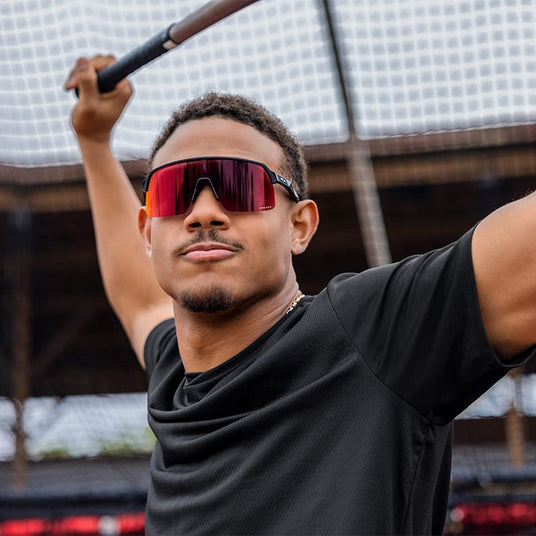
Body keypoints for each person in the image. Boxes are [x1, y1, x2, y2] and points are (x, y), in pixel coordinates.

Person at [65, 56, 536, 535]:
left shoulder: (371, 335)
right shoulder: (174, 373)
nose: (203, 212)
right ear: (148, 231)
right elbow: (141, 300)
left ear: (299, 226)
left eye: (239, 187)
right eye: (172, 192)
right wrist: (95, 142)